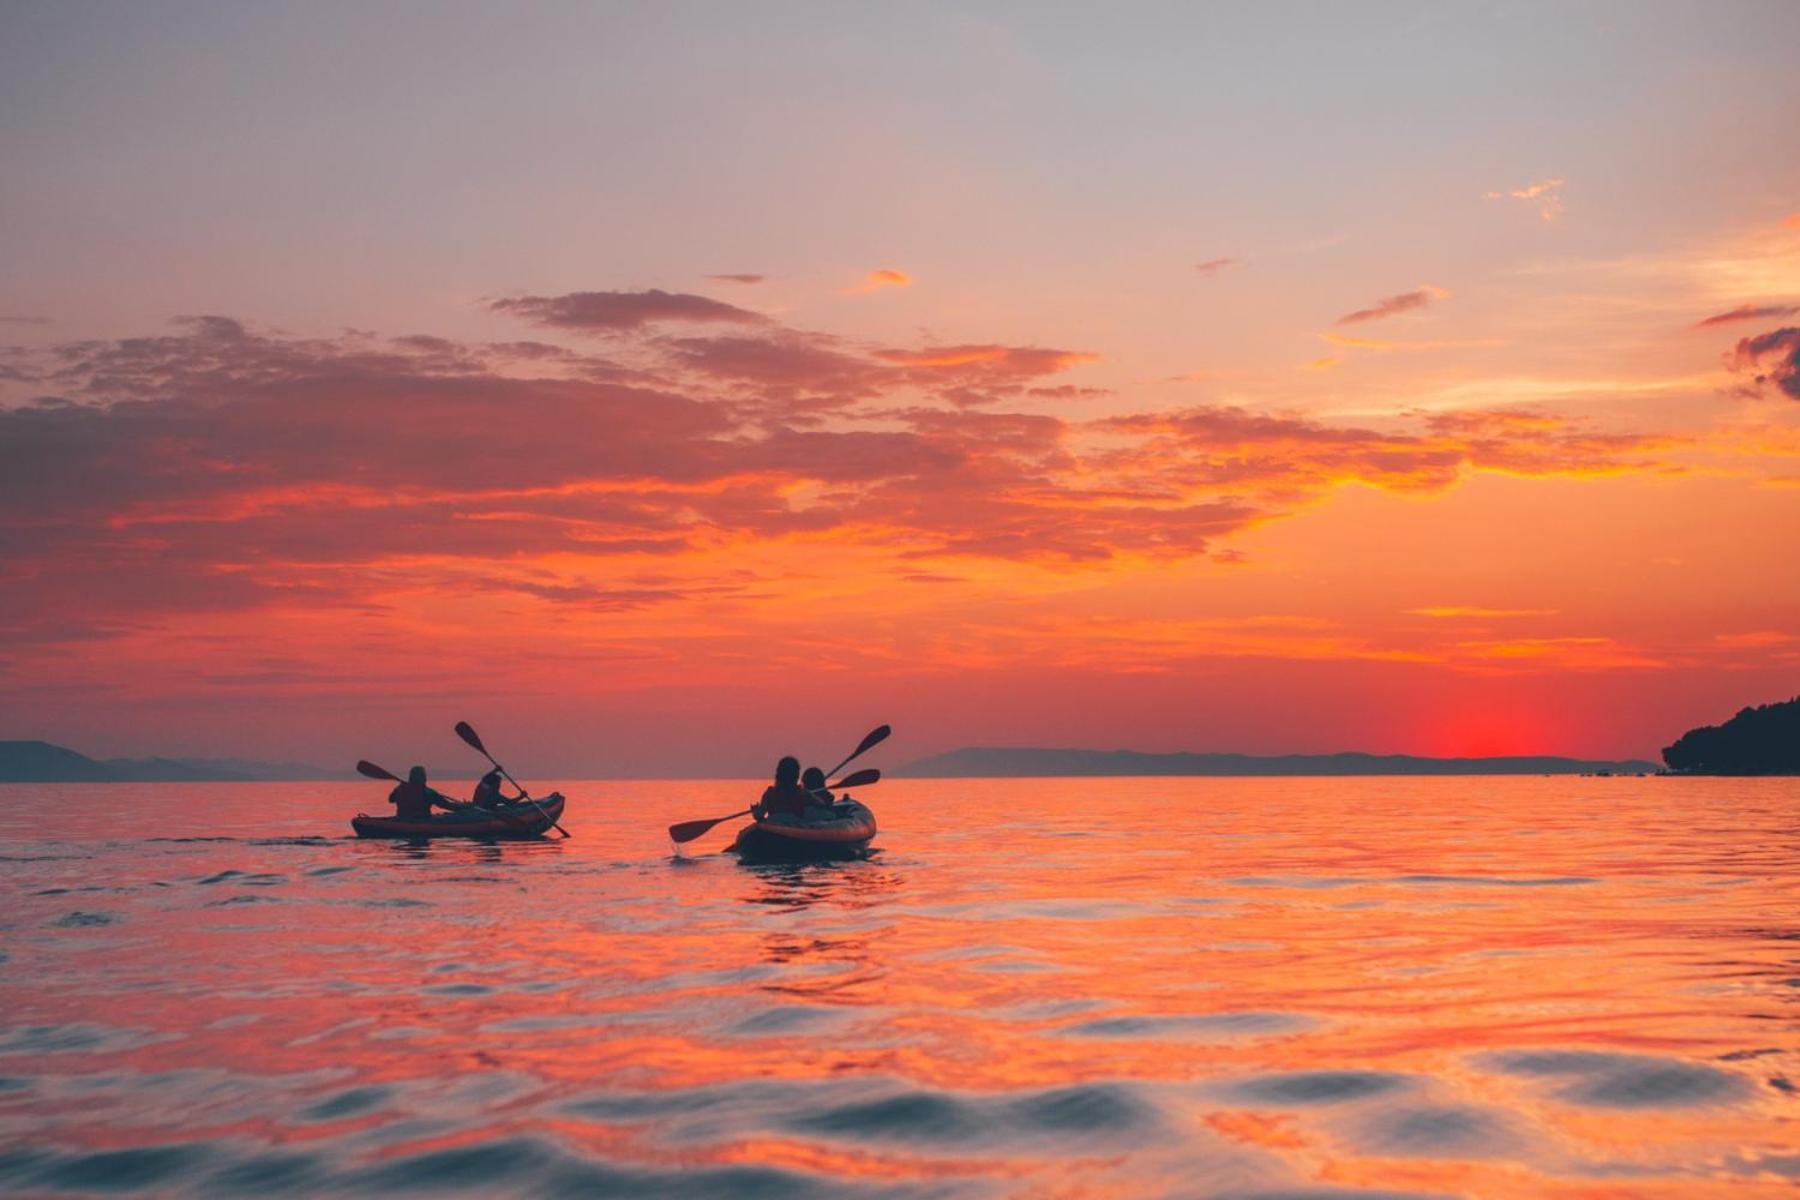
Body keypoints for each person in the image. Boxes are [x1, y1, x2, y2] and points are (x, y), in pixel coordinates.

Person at [388, 765, 458, 820]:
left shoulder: (400, 788)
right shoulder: (428, 793)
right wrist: (463, 807)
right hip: (422, 820)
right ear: (423, 777)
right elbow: (446, 805)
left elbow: (391, 800)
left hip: (401, 818)